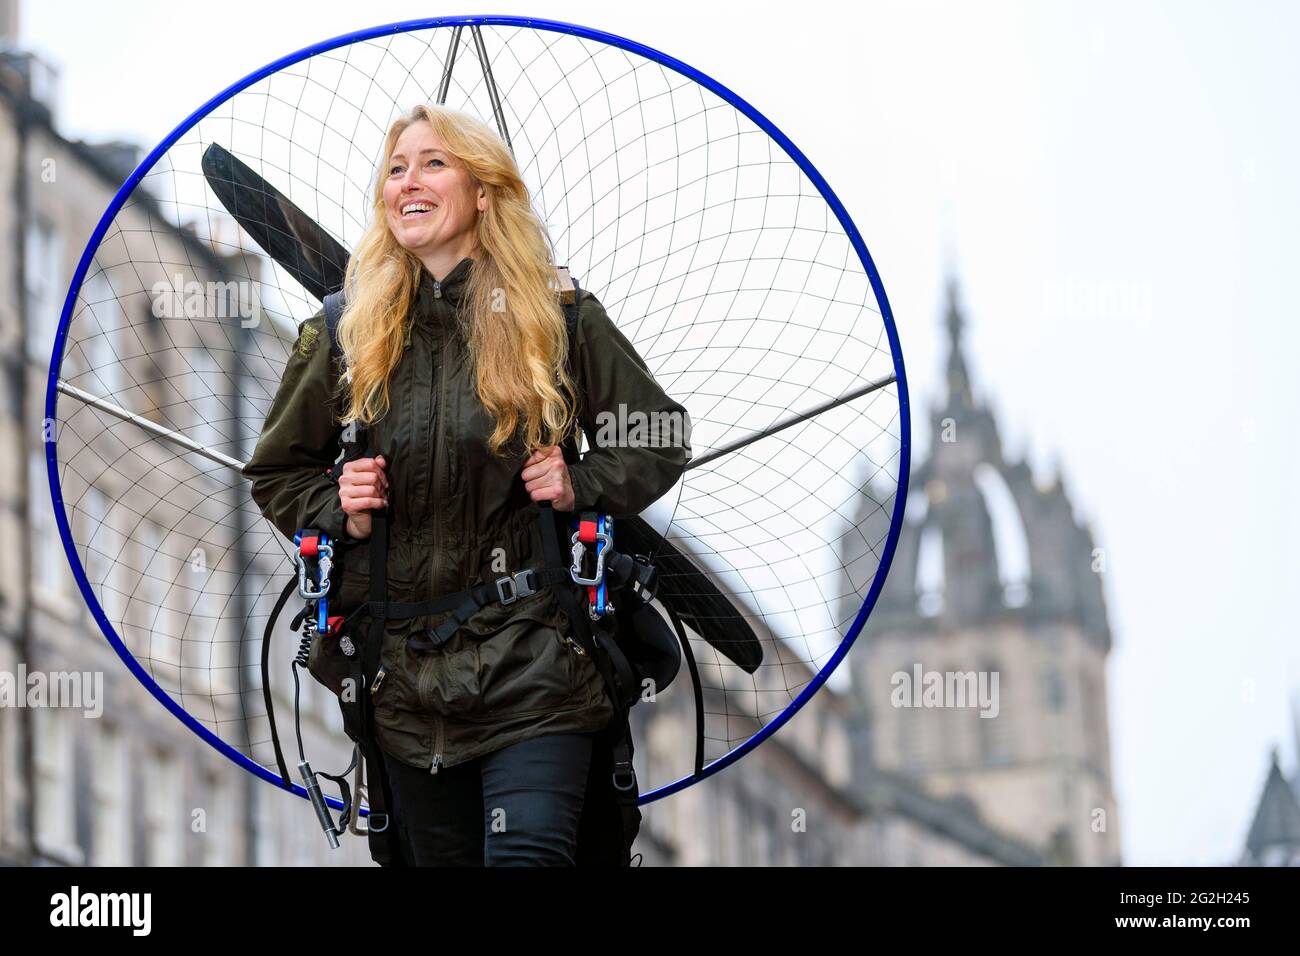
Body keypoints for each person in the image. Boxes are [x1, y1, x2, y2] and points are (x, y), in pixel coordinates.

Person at [241, 103, 691, 866]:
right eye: (395, 168)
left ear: (484, 192)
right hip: (403, 683)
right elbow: (275, 474)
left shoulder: (557, 317)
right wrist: (337, 509)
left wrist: (581, 482)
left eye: (432, 163)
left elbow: (661, 435)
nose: (407, 181)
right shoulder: (345, 331)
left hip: (540, 667)